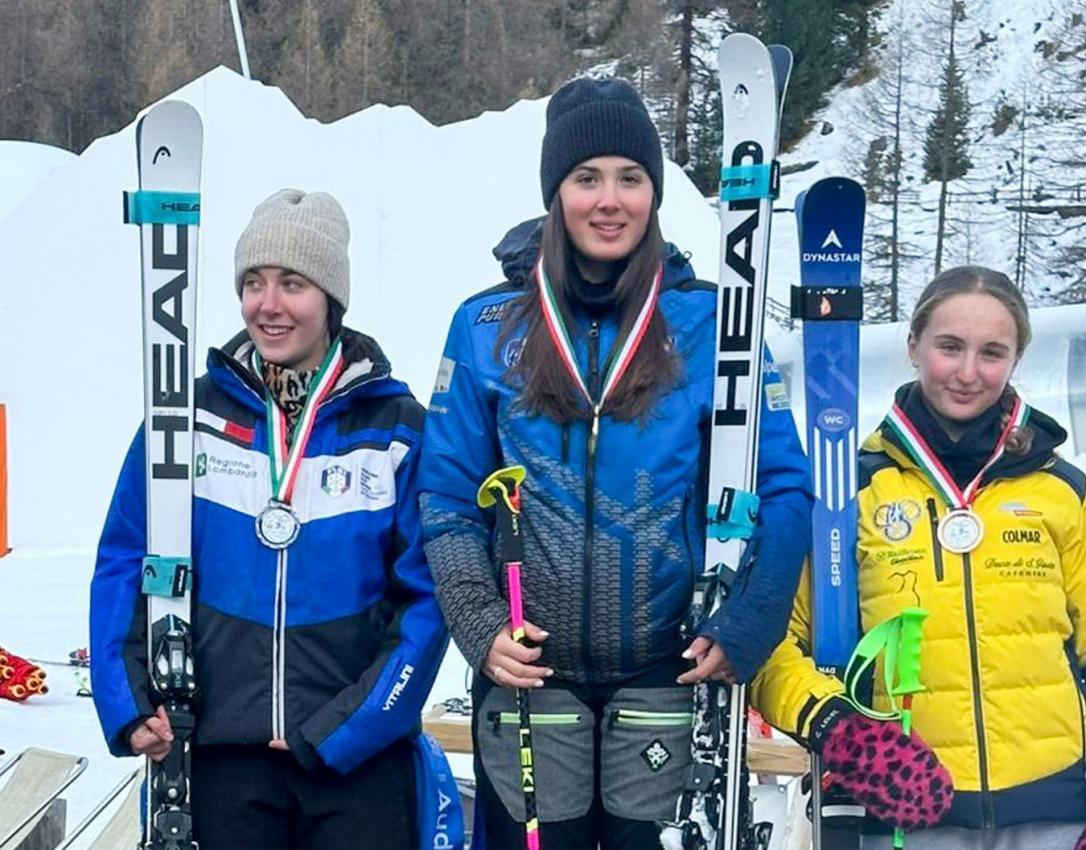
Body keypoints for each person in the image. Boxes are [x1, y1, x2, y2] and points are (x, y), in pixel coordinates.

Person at [417, 78, 813, 850]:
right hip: (532, 680)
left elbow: (786, 487)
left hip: (667, 675)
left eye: (631, 178)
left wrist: (752, 621)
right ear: (554, 192)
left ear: (654, 195)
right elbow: (446, 496)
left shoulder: (712, 322)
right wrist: (479, 622)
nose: (610, 199)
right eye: (586, 177)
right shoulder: (485, 326)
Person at [753, 266, 1086, 850]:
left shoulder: (1064, 493)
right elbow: (770, 643)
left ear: (1016, 358)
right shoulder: (848, 495)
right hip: (905, 819)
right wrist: (839, 729)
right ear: (914, 345)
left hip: (1058, 813)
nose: (969, 373)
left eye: (992, 352)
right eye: (950, 347)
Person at [91, 189, 449, 850]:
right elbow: (124, 557)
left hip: (356, 759)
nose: (268, 304)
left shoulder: (395, 429)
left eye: (293, 283)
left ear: (331, 297)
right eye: (253, 283)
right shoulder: (186, 420)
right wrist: (128, 700)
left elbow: (428, 600)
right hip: (227, 753)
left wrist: (354, 725)